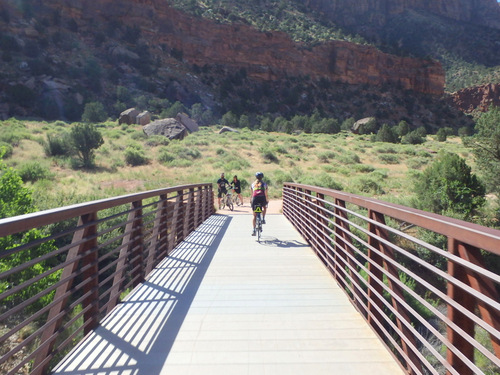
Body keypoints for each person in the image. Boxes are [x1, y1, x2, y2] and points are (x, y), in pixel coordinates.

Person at [250, 171, 269, 236]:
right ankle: (263, 218)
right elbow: (266, 194)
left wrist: (251, 201)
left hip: (255, 199)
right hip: (262, 198)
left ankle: (254, 229)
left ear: (256, 177)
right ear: (262, 177)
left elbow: (252, 194)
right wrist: (267, 200)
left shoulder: (253, 184)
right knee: (264, 207)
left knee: (254, 215)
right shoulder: (264, 184)